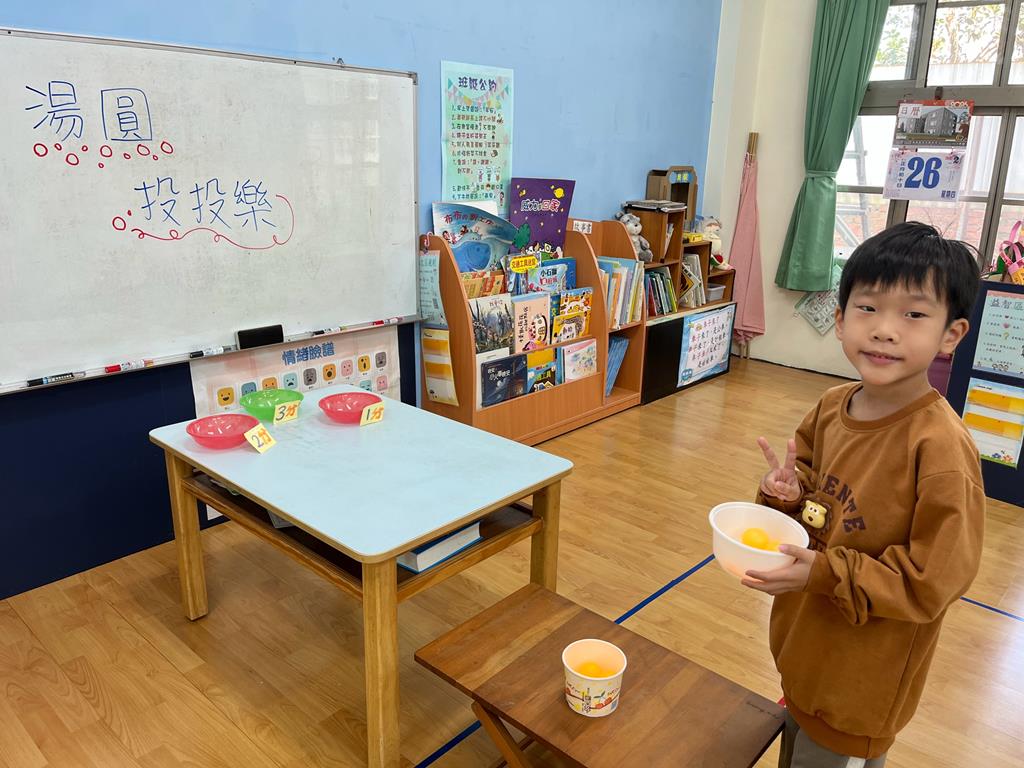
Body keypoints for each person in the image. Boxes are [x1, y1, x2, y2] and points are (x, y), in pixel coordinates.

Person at [750, 222, 985, 766]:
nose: (884, 330)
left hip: (859, 689)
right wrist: (784, 496)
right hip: (805, 653)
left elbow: (933, 581)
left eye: (914, 315)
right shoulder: (832, 407)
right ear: (840, 319)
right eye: (868, 308)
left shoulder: (942, 448)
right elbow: (812, 503)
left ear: (951, 335)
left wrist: (824, 573)